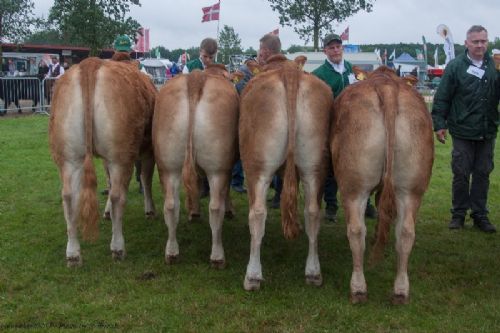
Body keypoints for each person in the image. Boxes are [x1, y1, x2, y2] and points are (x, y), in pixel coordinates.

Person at [432, 25, 500, 233]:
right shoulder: (455, 66)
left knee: (482, 173)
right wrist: (439, 124)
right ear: (466, 43)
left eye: (483, 41)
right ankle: (458, 214)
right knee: (461, 174)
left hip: (487, 129)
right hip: (462, 129)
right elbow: (443, 96)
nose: (480, 45)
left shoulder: (495, 66)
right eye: (476, 41)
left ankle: (480, 215)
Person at [312, 33, 378, 223]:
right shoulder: (319, 74)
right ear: (325, 50)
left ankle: (365, 204)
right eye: (331, 48)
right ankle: (331, 205)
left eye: (338, 47)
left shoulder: (353, 70)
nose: (335, 50)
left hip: (356, 127)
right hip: (332, 127)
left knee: (362, 165)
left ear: (342, 48)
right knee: (332, 167)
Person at [234, 34, 283, 200]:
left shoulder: (281, 68)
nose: (261, 55)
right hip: (253, 119)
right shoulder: (247, 69)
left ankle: (277, 191)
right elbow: (240, 90)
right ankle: (239, 182)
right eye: (261, 51)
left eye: (263, 51)